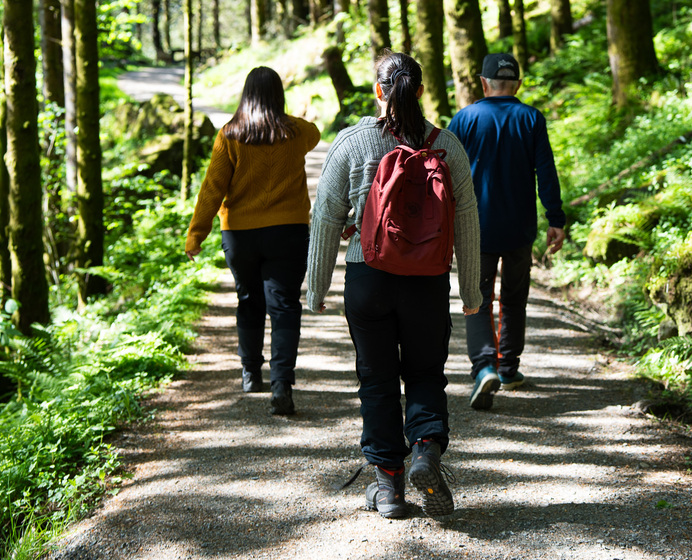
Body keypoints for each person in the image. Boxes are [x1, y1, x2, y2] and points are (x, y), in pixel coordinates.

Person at [307, 51, 482, 519]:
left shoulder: (352, 142)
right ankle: (425, 450)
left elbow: (325, 216)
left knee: (377, 380)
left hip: (369, 279)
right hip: (426, 280)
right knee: (426, 373)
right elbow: (466, 220)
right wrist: (471, 292)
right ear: (420, 91)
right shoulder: (446, 145)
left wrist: (315, 287)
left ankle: (388, 487)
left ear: (378, 90)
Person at [185, 66, 321, 416]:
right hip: (288, 232)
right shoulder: (296, 132)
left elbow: (212, 188)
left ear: (245, 94)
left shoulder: (229, 135)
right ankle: (281, 384)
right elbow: (316, 133)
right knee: (285, 305)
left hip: (240, 235)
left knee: (248, 300)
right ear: (279, 95)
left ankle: (250, 373)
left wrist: (196, 234)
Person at [447, 52, 567, 411]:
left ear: (483, 83)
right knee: (514, 300)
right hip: (519, 228)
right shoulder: (531, 118)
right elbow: (546, 172)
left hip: (475, 227)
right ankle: (509, 367)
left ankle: (484, 366)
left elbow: (442, 171)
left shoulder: (465, 119)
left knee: (476, 299)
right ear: (517, 83)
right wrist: (555, 218)